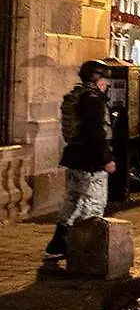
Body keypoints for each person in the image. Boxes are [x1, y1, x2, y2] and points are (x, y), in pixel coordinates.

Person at [46, 60, 116, 256]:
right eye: (104, 80)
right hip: (90, 160)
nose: (107, 84)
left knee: (73, 199)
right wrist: (106, 158)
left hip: (75, 156)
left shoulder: (77, 96)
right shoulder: (93, 100)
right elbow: (95, 132)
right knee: (91, 204)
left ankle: (59, 242)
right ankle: (82, 248)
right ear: (96, 80)